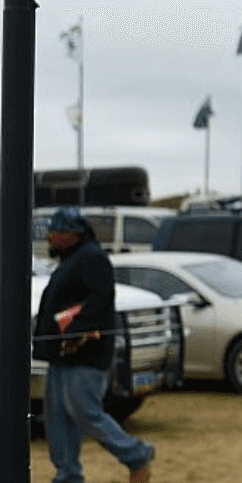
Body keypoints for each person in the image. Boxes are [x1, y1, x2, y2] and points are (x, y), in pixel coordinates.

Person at [33, 207, 155, 483]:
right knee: (59, 419)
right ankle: (67, 475)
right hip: (62, 354)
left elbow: (99, 302)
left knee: (86, 414)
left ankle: (136, 455)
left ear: (72, 235)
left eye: (55, 232)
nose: (50, 237)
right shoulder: (73, 258)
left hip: (84, 355)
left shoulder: (91, 258)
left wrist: (75, 332)